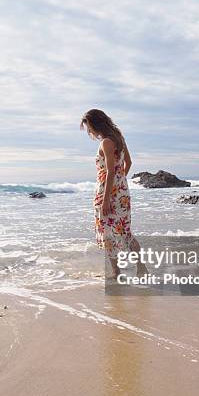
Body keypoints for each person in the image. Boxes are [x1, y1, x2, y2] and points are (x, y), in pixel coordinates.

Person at [80, 109, 148, 279]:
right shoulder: (119, 138)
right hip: (121, 192)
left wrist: (105, 199)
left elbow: (110, 171)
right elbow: (129, 163)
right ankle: (141, 268)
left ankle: (116, 271)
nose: (90, 132)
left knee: (107, 232)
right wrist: (120, 182)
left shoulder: (106, 142)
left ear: (95, 124)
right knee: (125, 231)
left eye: (89, 128)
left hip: (107, 192)